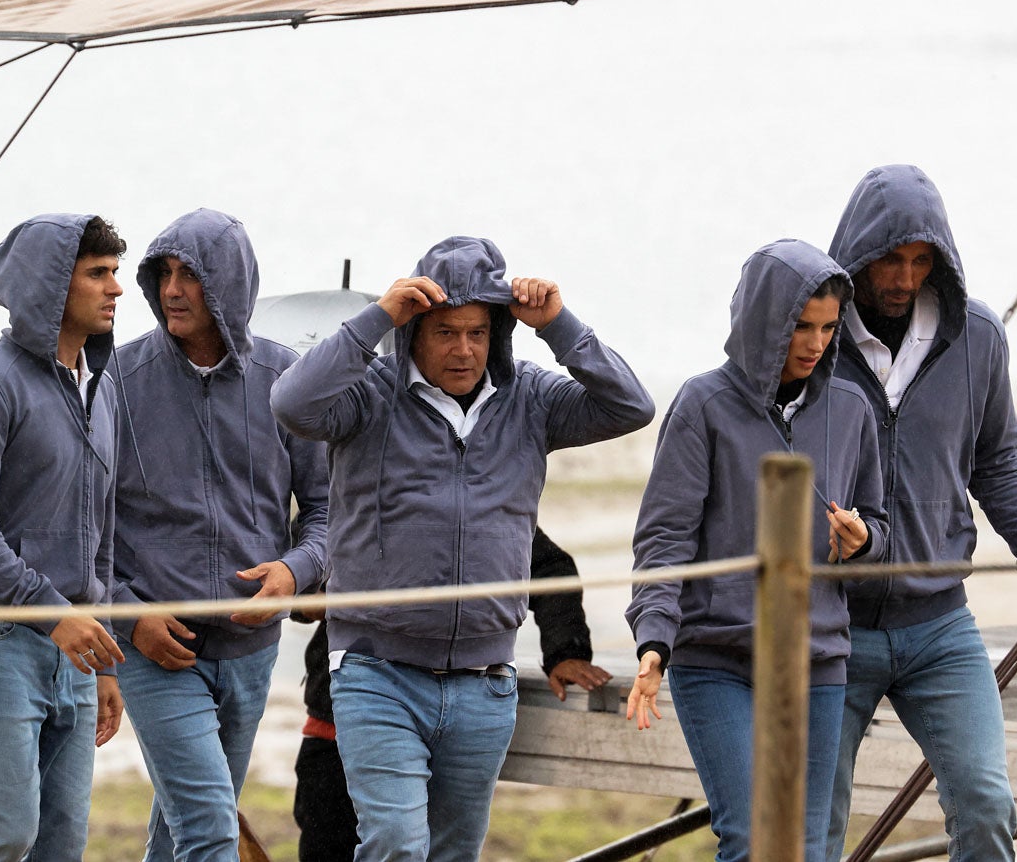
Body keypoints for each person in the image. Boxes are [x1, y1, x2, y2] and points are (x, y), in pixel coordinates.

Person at [271, 235, 654, 861]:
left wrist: (558, 325)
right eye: (446, 331)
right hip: (375, 671)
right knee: (395, 844)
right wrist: (377, 318)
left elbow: (631, 406)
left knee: (454, 853)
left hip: (485, 682)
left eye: (478, 332)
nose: (464, 349)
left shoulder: (531, 397)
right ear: (416, 329)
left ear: (498, 331)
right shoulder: (368, 396)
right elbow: (291, 402)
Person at [822, 164, 1017, 862]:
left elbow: (997, 464)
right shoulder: (812, 336)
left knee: (986, 806)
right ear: (857, 253)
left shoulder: (976, 336)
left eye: (920, 261)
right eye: (889, 259)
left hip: (938, 626)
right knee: (810, 832)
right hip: (829, 626)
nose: (902, 277)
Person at [625, 238, 888, 862]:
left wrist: (866, 540)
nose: (815, 343)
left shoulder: (852, 407)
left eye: (827, 327)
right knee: (750, 840)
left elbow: (880, 524)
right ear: (760, 321)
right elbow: (665, 537)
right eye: (800, 325)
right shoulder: (703, 403)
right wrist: (654, 641)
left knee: (809, 849)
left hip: (816, 660)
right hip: (716, 657)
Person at [111, 208, 329, 862]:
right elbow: (83, 524)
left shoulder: (287, 382)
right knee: (210, 831)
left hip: (251, 649)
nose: (173, 290)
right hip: (155, 646)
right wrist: (128, 615)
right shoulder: (115, 383)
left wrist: (296, 570)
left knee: (181, 828)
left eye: (191, 276)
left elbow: (325, 512)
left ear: (229, 283)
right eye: (163, 275)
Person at [0, 213, 128, 861]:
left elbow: (100, 527)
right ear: (49, 286)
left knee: (61, 844)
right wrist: (54, 615)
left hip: (71, 645)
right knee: (5, 835)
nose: (115, 289)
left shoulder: (99, 390)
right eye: (97, 273)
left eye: (115, 272)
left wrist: (97, 645)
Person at [292, 527, 613, 862]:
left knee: (442, 849)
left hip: (455, 717)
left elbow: (549, 568)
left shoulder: (479, 501)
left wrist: (565, 651)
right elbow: (289, 568)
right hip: (339, 719)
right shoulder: (343, 485)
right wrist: (313, 597)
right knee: (336, 846)